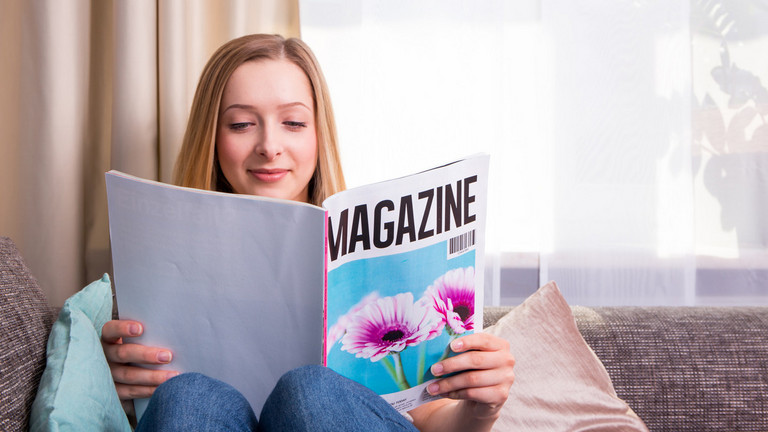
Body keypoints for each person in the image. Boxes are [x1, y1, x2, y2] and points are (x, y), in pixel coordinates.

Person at [101, 34, 515, 432]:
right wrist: (112, 381)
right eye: (242, 124)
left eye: (294, 122)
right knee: (187, 396)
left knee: (309, 390)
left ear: (319, 134)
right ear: (212, 138)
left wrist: (483, 408)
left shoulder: (376, 256)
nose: (269, 145)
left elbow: (433, 419)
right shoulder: (157, 258)